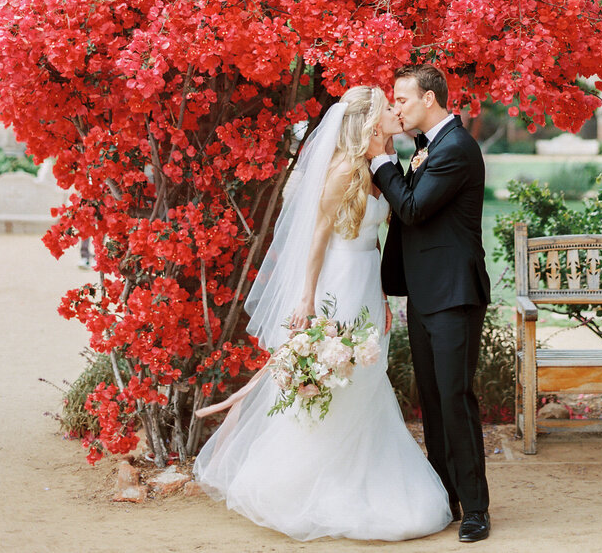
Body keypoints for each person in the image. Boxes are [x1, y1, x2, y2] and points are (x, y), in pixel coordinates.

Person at [193, 86, 452, 542]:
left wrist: (387, 300)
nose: (395, 112)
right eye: (386, 109)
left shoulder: (382, 166)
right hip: (338, 283)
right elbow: (316, 239)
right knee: (338, 379)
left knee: (367, 379)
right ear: (370, 124)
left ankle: (365, 475)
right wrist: (307, 297)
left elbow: (384, 233)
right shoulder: (345, 169)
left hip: (368, 285)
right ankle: (306, 484)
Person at [369, 64, 492, 544]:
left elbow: (414, 209)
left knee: (455, 398)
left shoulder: (457, 149)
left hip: (454, 295)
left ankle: (476, 509)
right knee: (433, 400)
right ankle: (445, 494)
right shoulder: (427, 148)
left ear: (429, 98)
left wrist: (382, 162)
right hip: (424, 293)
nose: (396, 107)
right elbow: (412, 207)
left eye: (401, 98)